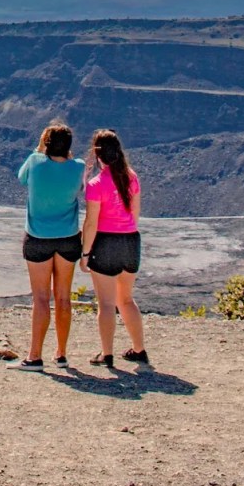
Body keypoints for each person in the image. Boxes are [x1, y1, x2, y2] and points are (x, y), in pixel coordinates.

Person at [9, 122, 86, 371]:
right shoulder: (79, 167)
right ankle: (61, 354)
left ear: (47, 144)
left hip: (38, 238)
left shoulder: (34, 162)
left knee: (41, 299)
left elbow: (21, 179)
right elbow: (80, 188)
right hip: (68, 238)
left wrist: (39, 148)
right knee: (63, 297)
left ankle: (34, 356)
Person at [79, 129, 146, 368]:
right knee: (126, 299)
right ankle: (139, 349)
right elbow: (135, 213)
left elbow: (91, 223)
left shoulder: (97, 184)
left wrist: (85, 254)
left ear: (97, 156)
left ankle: (107, 354)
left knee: (106, 303)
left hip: (106, 243)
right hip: (130, 241)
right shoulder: (132, 177)